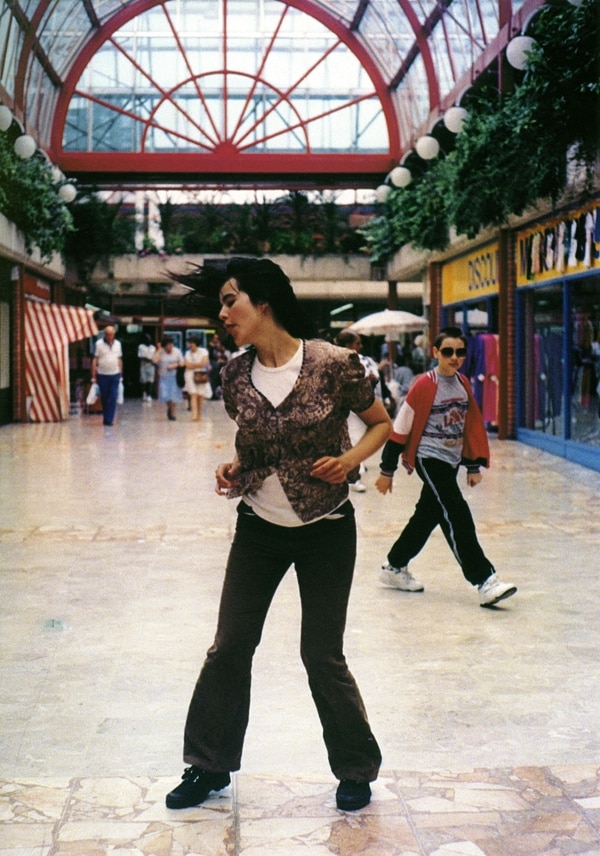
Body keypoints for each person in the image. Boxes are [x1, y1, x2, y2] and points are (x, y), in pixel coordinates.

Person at [165, 257, 391, 812]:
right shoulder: (235, 375)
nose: (223, 314)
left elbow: (382, 423)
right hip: (258, 529)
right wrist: (233, 470)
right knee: (229, 648)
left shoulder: (336, 363)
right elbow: (254, 447)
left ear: (262, 302)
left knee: (321, 653)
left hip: (327, 528)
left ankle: (356, 768)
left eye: (228, 301)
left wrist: (348, 459)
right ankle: (208, 766)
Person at [375, 326, 517, 608]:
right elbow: (401, 428)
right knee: (457, 512)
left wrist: (472, 465)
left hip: (451, 460)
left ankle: (394, 566)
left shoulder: (464, 383)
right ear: (435, 352)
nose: (455, 357)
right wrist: (386, 469)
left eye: (460, 352)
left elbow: (470, 426)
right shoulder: (425, 385)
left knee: (427, 516)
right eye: (448, 352)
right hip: (430, 458)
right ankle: (484, 580)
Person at [336, 329, 381, 492]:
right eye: (357, 343)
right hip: (353, 406)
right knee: (354, 439)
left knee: (354, 438)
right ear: (348, 345)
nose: (360, 346)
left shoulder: (334, 358)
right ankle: (354, 477)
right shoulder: (351, 360)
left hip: (351, 406)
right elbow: (372, 377)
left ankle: (356, 471)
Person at [91, 325, 123, 427]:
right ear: (105, 334)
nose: (109, 336)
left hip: (115, 374)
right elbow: (95, 359)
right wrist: (93, 375)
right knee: (104, 397)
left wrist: (121, 374)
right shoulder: (98, 344)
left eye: (111, 334)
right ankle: (106, 417)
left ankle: (109, 419)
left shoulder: (118, 344)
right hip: (102, 374)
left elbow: (119, 359)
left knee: (113, 396)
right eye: (108, 334)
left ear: (114, 334)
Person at [152, 335, 184, 420]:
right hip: (164, 377)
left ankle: (172, 413)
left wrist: (175, 365)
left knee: (173, 396)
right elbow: (154, 360)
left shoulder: (177, 351)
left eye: (171, 344)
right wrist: (159, 350)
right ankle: (169, 408)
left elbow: (182, 363)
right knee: (165, 396)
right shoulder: (161, 352)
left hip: (174, 377)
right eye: (168, 345)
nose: (170, 347)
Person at [183, 335, 212, 421]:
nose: (190, 345)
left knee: (200, 395)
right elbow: (187, 365)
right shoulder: (187, 353)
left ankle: (199, 414)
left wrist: (193, 365)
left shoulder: (204, 351)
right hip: (189, 375)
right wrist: (197, 364)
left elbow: (204, 363)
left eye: (191, 343)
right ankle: (194, 415)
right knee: (193, 394)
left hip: (201, 374)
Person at [137, 334, 156, 401]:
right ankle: (144, 393)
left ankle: (149, 395)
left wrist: (154, 361)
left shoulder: (153, 347)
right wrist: (149, 360)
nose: (148, 340)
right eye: (147, 338)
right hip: (143, 366)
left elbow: (155, 356)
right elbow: (141, 356)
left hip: (151, 366)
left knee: (150, 381)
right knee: (143, 381)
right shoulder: (141, 346)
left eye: (149, 338)